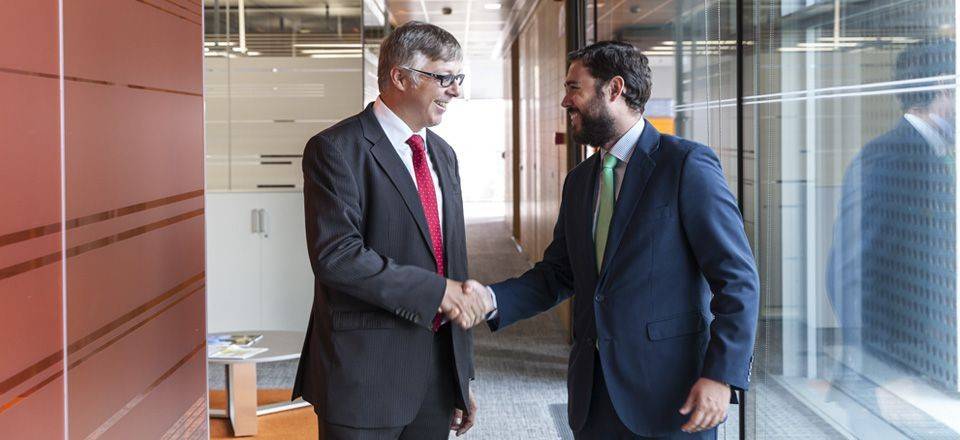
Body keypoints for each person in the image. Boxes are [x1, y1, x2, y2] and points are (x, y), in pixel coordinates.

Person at [465, 41, 760, 439]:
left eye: (575, 88)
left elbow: (737, 279)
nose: (565, 100)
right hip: (594, 395)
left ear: (615, 89)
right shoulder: (580, 181)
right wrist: (491, 299)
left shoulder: (686, 165)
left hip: (673, 395)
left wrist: (722, 375)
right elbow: (560, 273)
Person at [292, 21, 493, 440]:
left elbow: (452, 261)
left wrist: (462, 378)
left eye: (458, 78)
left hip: (436, 375)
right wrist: (437, 292)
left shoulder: (443, 154)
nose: (455, 90)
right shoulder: (336, 149)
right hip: (365, 373)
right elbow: (338, 257)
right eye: (444, 77)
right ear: (400, 77)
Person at [826, 39, 955, 391]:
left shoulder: (935, 154)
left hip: (929, 367)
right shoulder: (890, 160)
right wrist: (887, 374)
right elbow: (849, 272)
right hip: (897, 380)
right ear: (945, 85)